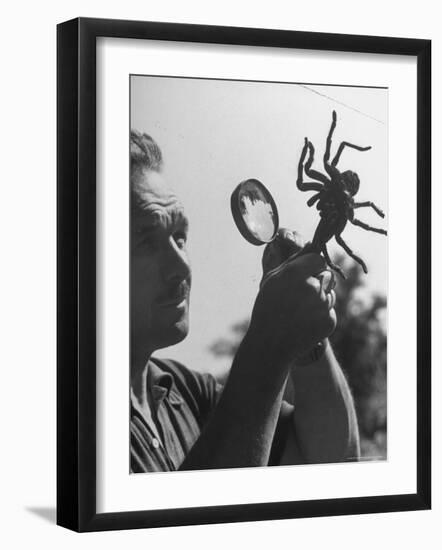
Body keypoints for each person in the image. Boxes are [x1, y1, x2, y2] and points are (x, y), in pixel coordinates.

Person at [129, 130, 360, 473]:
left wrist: (308, 338)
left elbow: (333, 461)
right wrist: (270, 344)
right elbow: (183, 526)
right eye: (147, 242)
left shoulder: (189, 394)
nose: (182, 266)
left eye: (180, 237)